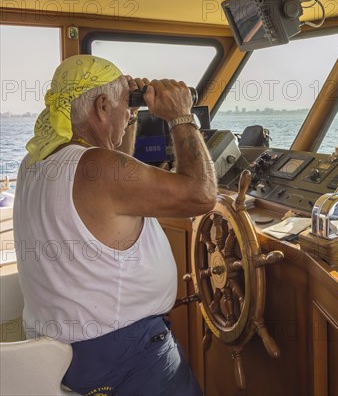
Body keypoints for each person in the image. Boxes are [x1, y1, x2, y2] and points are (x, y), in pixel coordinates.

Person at [13, 54, 216, 395]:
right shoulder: (100, 168)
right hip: (124, 354)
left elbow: (112, 165)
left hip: (67, 353)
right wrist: (182, 116)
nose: (128, 113)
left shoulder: (34, 162)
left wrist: (130, 115)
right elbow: (202, 195)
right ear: (102, 107)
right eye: (126, 106)